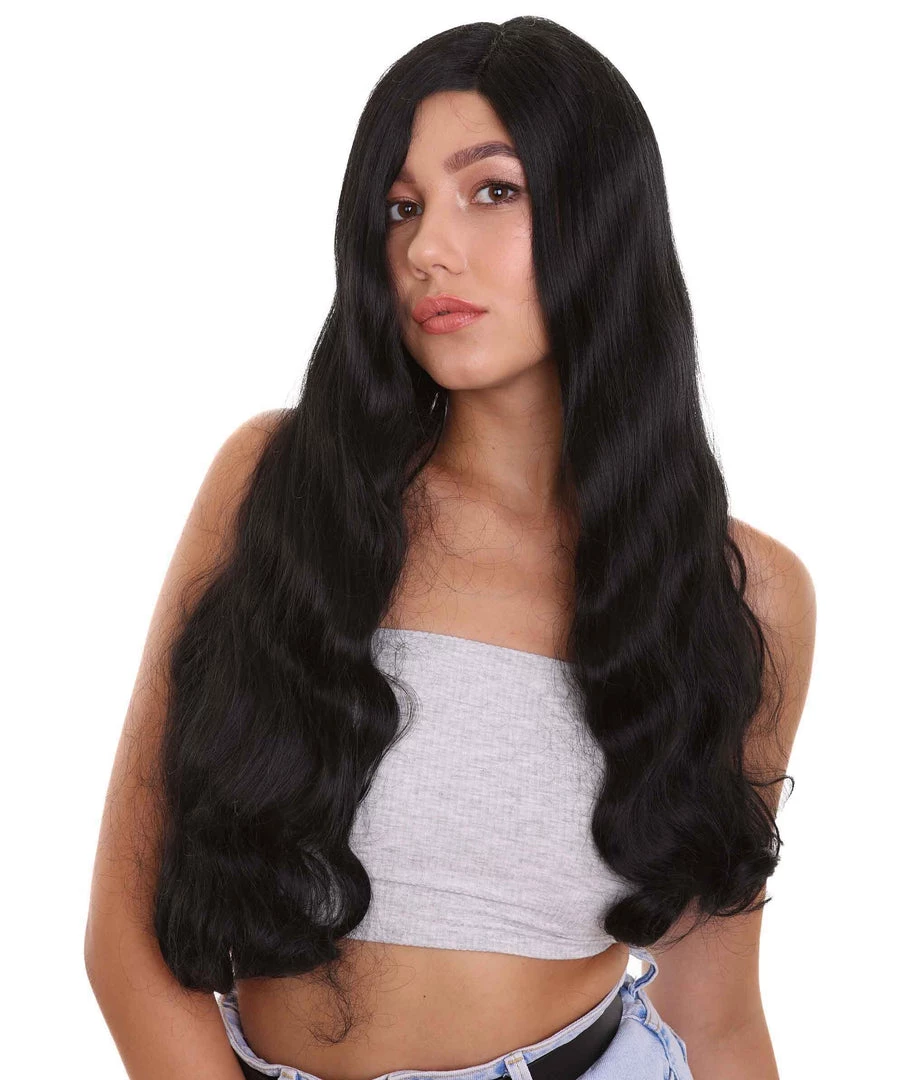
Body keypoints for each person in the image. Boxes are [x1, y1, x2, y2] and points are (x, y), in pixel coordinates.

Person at [84, 16, 816, 1080]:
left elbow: (715, 1013)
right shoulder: (280, 487)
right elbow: (126, 939)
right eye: (401, 207)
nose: (426, 248)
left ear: (603, 216)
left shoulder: (741, 594)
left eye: (493, 190)